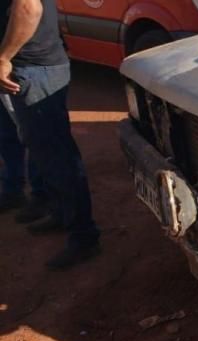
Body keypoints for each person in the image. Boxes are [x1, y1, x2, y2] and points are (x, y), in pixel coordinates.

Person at [0, 0, 99, 269]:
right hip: (33, 69)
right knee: (44, 151)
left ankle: (83, 237)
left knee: (58, 155)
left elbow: (29, 8)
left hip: (36, 70)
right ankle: (60, 212)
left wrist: (4, 57)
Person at [0, 94, 48, 221]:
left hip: (24, 79)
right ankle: (12, 190)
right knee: (7, 134)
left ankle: (42, 195)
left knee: (34, 134)